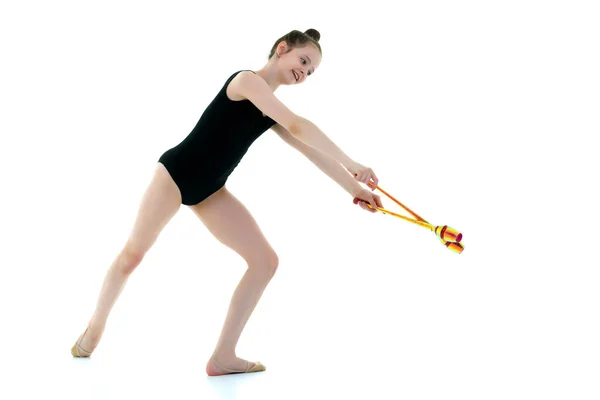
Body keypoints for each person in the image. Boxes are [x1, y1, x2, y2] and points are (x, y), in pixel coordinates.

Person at [70, 28, 383, 376]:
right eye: (304, 61)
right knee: (133, 256)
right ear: (282, 49)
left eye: (311, 72)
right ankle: (94, 329)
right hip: (175, 174)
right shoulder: (247, 81)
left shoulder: (271, 109)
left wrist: (354, 190)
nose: (304, 72)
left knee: (265, 262)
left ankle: (223, 356)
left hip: (211, 190)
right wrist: (354, 164)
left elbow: (308, 148)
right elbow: (297, 126)